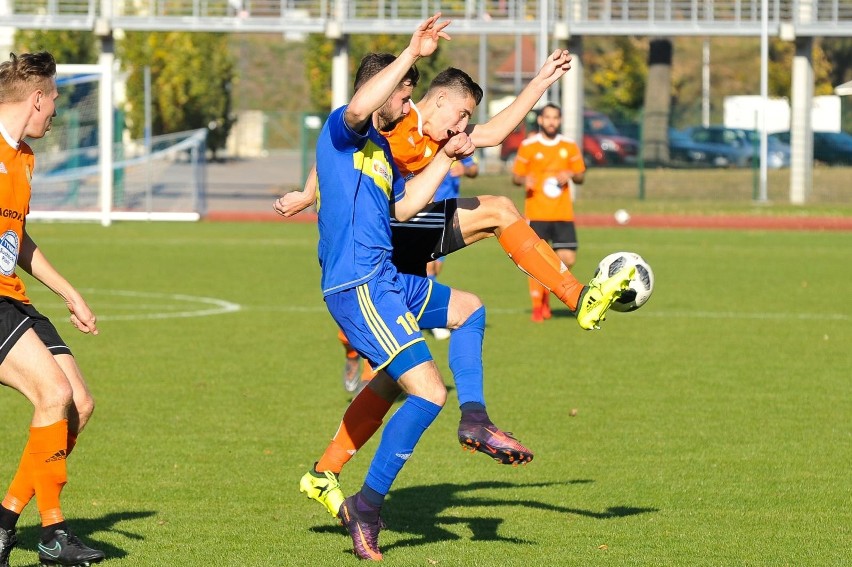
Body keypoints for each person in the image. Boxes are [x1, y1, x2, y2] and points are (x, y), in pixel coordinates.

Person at [309, 14, 489, 559]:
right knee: (429, 391)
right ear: (382, 87)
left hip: (389, 279)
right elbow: (363, 108)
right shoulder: (343, 134)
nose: (409, 105)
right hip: (358, 283)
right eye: (404, 94)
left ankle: (476, 416)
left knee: (470, 309)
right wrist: (412, 52)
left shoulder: (384, 156)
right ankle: (367, 506)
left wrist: (447, 155)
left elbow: (406, 208)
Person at [0, 52, 105, 567]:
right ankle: (53, 533)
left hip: (11, 297)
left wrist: (69, 291)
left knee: (77, 404)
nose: (56, 113)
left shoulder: (22, 156)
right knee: (53, 393)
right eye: (55, 101)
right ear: (36, 98)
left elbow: (15, 240)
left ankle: (3, 523)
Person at [512, 103, 586, 322]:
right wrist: (525, 179)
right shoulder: (529, 146)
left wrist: (570, 173)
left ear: (560, 121)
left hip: (562, 213)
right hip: (537, 213)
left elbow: (581, 175)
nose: (552, 121)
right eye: (548, 117)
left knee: (568, 258)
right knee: (538, 261)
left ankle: (545, 293)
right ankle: (538, 305)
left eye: (556, 117)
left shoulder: (569, 146)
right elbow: (516, 177)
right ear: (541, 120)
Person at [427, 153, 478, 340]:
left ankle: (416, 311)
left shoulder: (455, 144)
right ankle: (433, 319)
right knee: (428, 265)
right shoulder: (425, 144)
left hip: (449, 213)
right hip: (426, 210)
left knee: (435, 267)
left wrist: (465, 169)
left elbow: (474, 169)